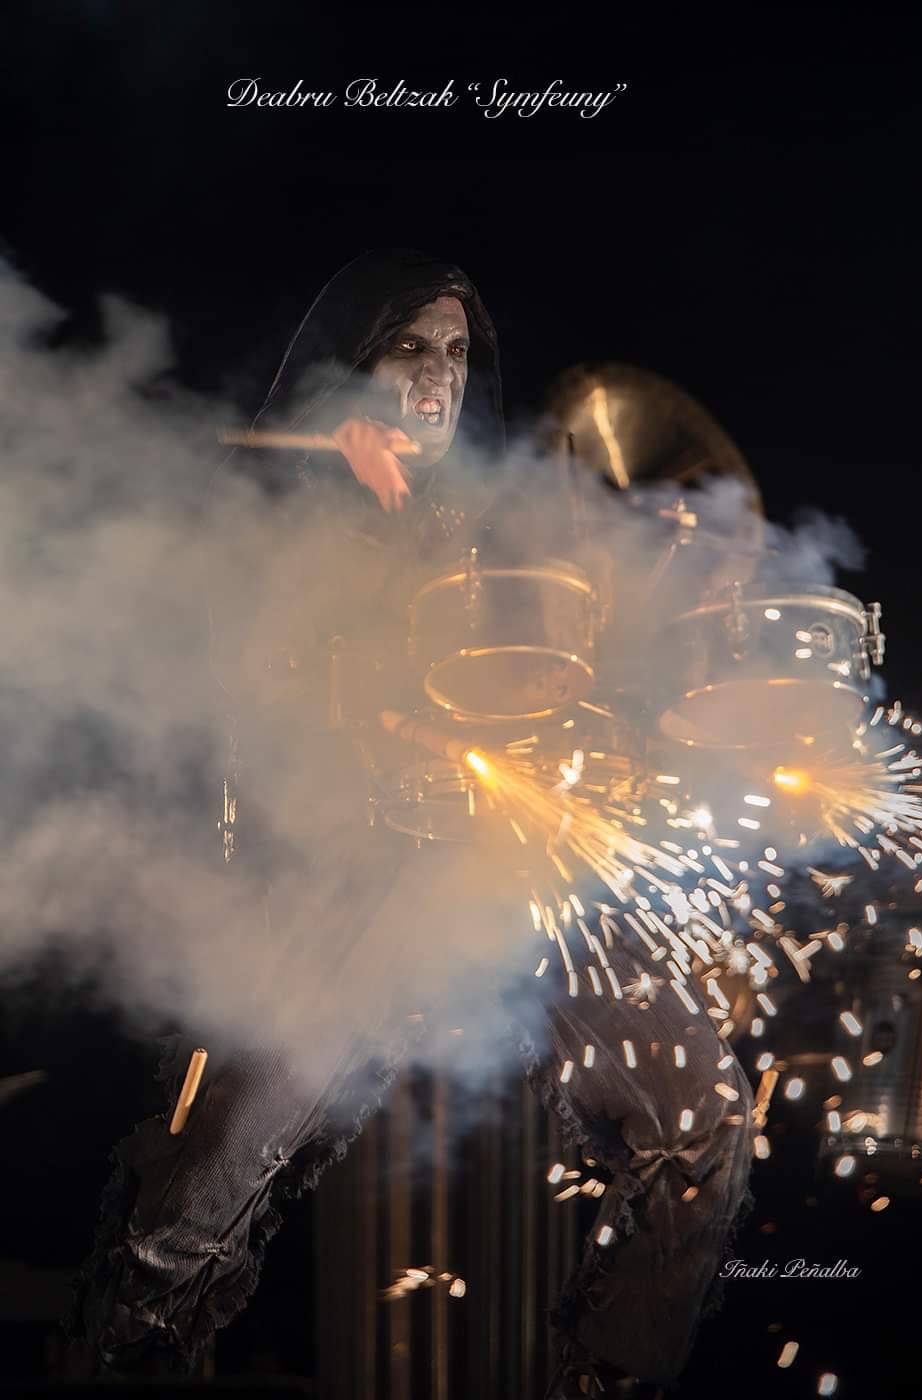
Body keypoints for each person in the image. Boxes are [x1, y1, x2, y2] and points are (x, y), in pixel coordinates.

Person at [69, 249, 754, 1398]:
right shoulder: (286, 497)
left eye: (456, 353)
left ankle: (609, 1380)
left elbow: (582, 678)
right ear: (354, 361)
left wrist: (683, 590)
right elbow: (255, 676)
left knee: (706, 1115)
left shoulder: (503, 520)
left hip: (510, 878)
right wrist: (347, 512)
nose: (436, 377)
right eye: (407, 348)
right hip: (356, 885)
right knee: (201, 1188)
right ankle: (126, 1356)